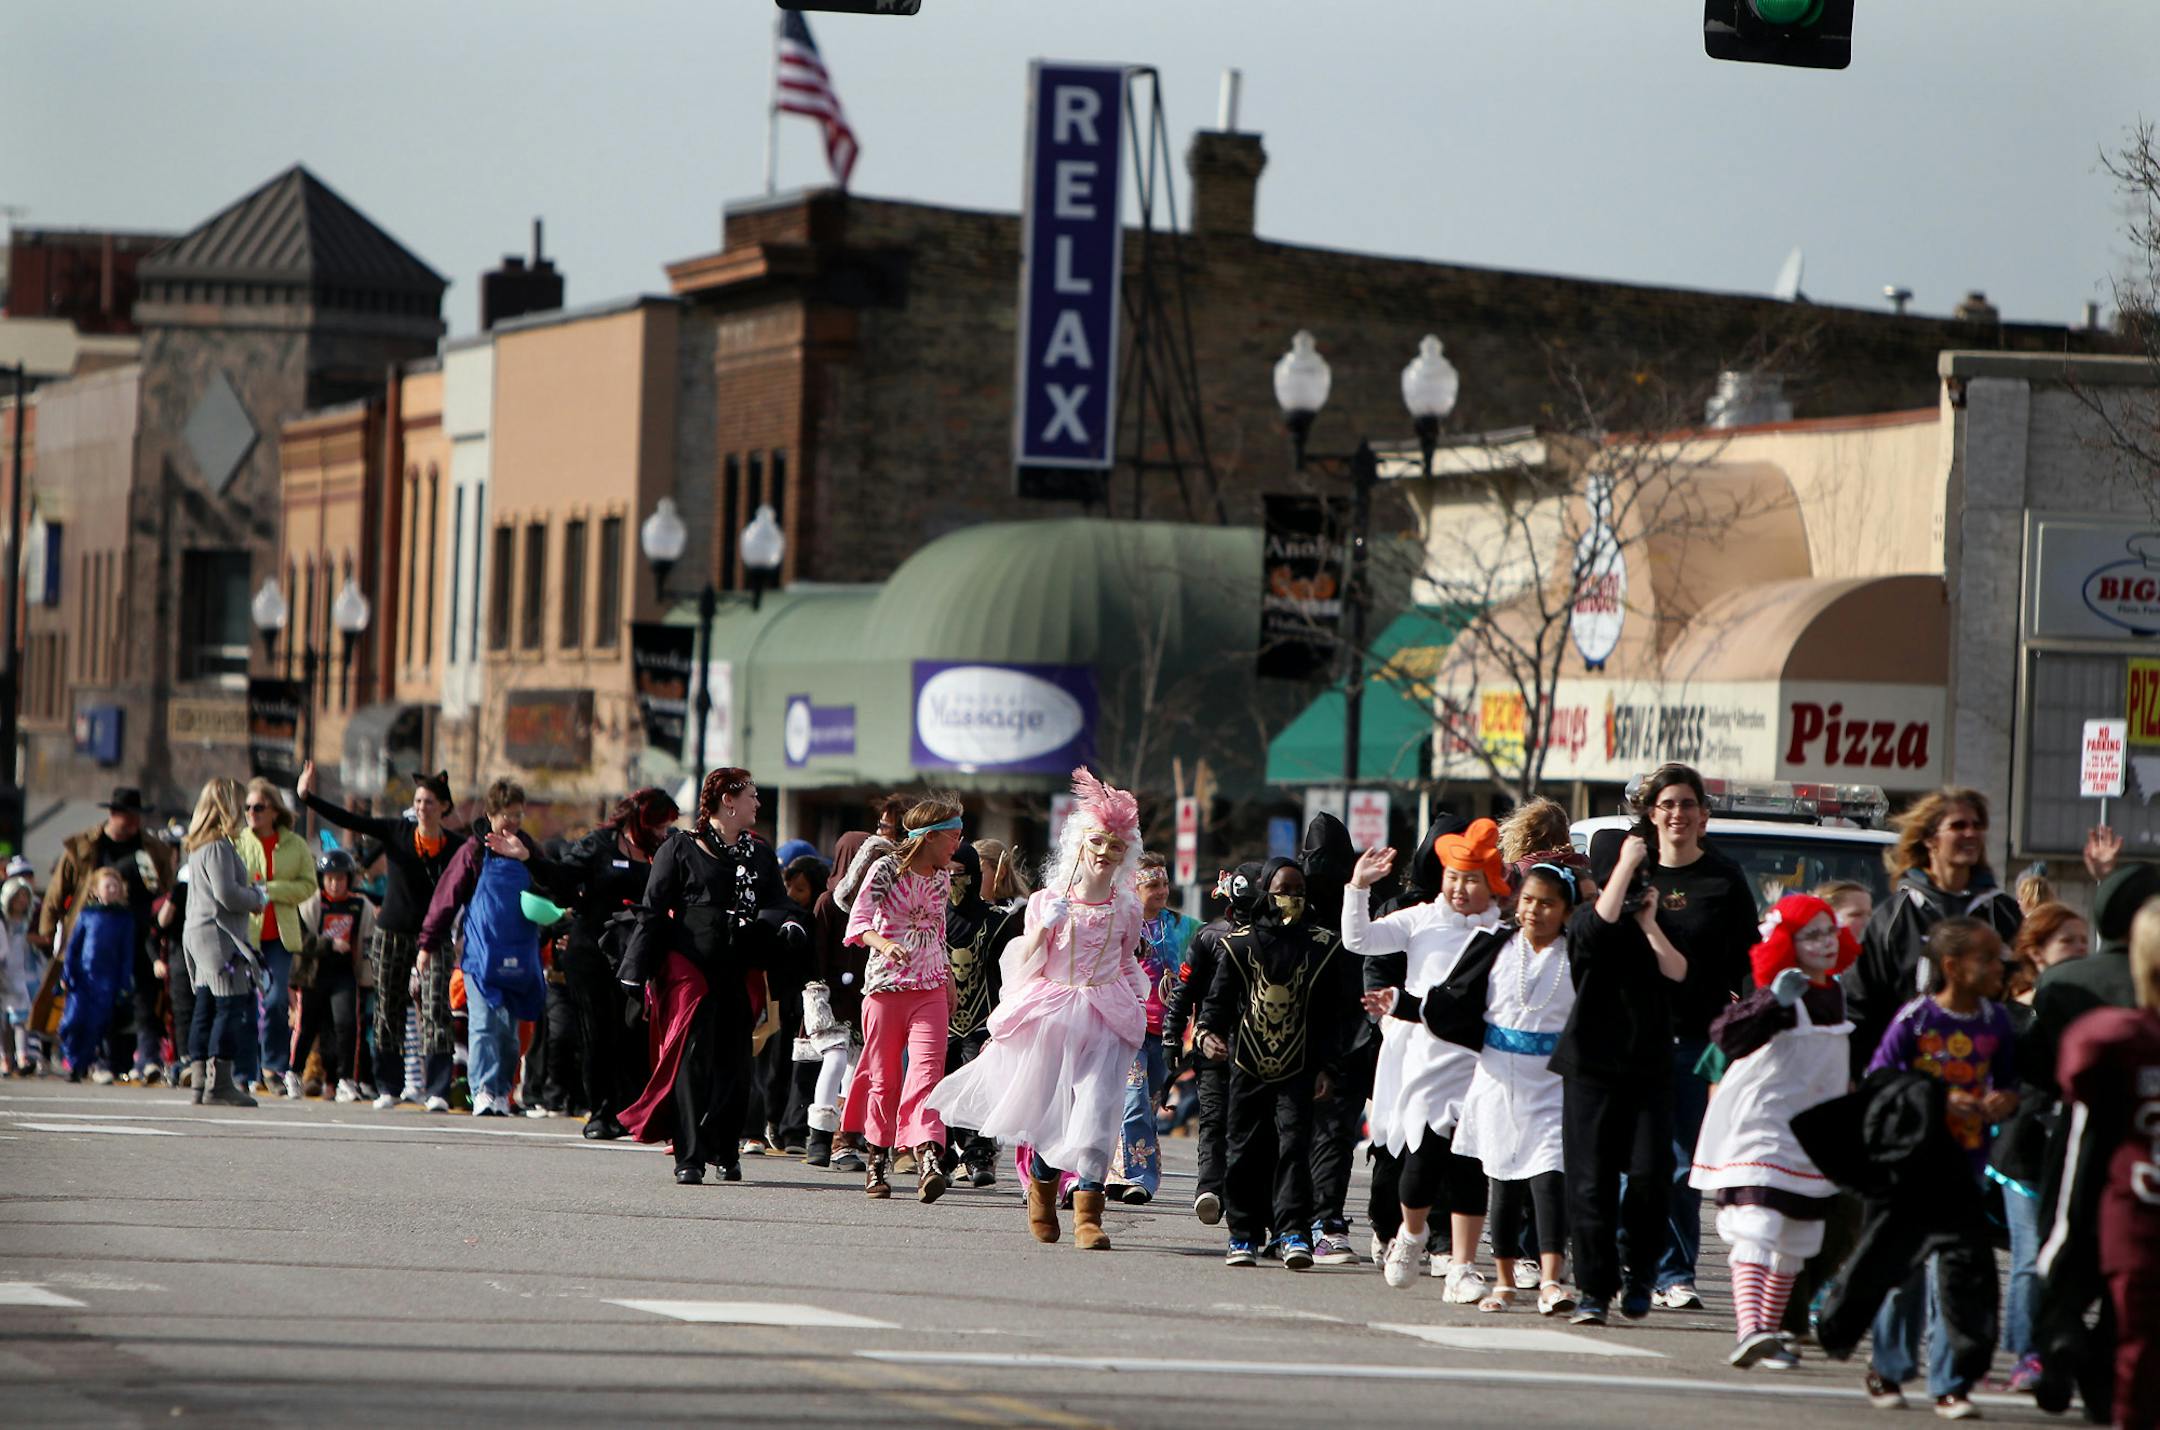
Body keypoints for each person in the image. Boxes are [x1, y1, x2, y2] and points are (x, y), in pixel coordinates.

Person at [928, 767, 1149, 1252]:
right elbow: (1024, 962)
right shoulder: (1047, 900)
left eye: (1116, 845)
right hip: (1053, 1011)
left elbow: (1128, 959)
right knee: (1051, 1118)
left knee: (1097, 1113)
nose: (1104, 853)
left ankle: (1088, 1214)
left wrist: (1140, 1002)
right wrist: (1042, 929)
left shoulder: (1128, 908)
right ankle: (1043, 1194)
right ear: (1079, 843)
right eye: (1097, 841)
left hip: (1106, 1012)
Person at [1376, 862, 1584, 1314]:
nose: (1534, 911)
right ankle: (1418, 1239)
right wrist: (1401, 1003)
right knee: (1446, 1167)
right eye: (1528, 900)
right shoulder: (1494, 944)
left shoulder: (1578, 953)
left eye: (1547, 903)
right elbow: (1453, 998)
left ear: (1567, 910)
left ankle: (1537, 1278)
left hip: (1548, 1082)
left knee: (1546, 1174)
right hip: (1475, 1068)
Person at [1614, 764, 1762, 1315]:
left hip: (1695, 1039)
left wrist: (1753, 1023)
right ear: (1651, 814)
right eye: (1666, 804)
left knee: (1678, 1164)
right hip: (1631, 1036)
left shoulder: (1724, 878)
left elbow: (1750, 962)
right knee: (1632, 1164)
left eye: (1687, 804)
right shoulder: (1632, 871)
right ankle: (1632, 1264)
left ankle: (1676, 1274)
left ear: (1703, 814)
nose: (1677, 814)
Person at [1688, 893, 1859, 1369]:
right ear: (1787, 943)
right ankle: (1750, 1327)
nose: (1825, 943)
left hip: (1814, 1133)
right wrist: (1767, 1002)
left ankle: (1770, 1333)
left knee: (1797, 1237)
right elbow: (1726, 1037)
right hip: (1759, 1125)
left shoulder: (1840, 993)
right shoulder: (1780, 995)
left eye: (1830, 932)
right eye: (1812, 936)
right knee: (1758, 1226)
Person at [1862, 917, 2016, 1420]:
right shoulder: (1917, 1019)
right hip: (1912, 1163)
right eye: (1988, 959)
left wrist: (2002, 1100)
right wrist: (1938, 1098)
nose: (2000, 968)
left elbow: (2013, 1082)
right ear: (1952, 966)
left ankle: (1951, 1383)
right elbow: (1880, 1076)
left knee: (1957, 1276)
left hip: (1966, 1165)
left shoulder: (1996, 1022)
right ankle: (1887, 1368)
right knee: (1904, 1273)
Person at [1346, 820, 1507, 1298]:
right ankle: (1411, 1234)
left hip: (1482, 1059)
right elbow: (1360, 941)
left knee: (1470, 1165)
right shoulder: (1421, 919)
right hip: (1425, 1055)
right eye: (1454, 876)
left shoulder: (1504, 934)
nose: (1460, 888)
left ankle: (1461, 1266)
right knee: (1422, 1159)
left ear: (1490, 882)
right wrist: (1358, 888)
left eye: (1472, 878)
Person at [621, 768, 782, 1185]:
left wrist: (782, 926)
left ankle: (725, 1149)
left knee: (736, 1063)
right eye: (752, 795)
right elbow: (653, 910)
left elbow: (779, 905)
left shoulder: (760, 854)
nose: (757, 804)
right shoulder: (680, 848)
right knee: (692, 1057)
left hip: (738, 966)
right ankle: (689, 1156)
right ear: (728, 801)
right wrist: (634, 973)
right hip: (690, 965)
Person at [1562, 831, 1691, 1326]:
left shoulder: (1652, 921)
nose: (1635, 880)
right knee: (1590, 1185)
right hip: (1590, 1070)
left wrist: (1651, 922)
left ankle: (1640, 1275)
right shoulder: (1585, 922)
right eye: (1624, 870)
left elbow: (1678, 972)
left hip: (1649, 1070)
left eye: (1640, 870)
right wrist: (1622, 868)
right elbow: (1594, 935)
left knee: (1649, 1177)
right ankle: (1594, 1290)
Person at [2044, 897, 2160, 1430]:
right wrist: (2062, 1242)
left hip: (2133, 1218)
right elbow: (2085, 1147)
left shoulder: (2116, 1038)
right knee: (2132, 1356)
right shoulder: (2119, 1042)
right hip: (2135, 1217)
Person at [296, 761, 468, 1112]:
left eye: (430, 802)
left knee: (436, 1008)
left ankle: (436, 1089)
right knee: (387, 1008)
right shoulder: (397, 832)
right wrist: (308, 797)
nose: (422, 807)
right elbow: (351, 821)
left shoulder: (456, 847)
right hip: (391, 933)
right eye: (418, 801)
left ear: (445, 808)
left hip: (433, 937)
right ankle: (388, 1086)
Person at [842, 795, 966, 1202]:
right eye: (953, 835)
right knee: (885, 1080)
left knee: (928, 1074)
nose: (958, 843)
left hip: (929, 988)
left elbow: (937, 931)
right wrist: (885, 944)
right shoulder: (886, 870)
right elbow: (858, 921)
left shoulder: (942, 878)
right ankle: (877, 1159)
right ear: (929, 837)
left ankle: (928, 1154)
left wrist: (947, 976)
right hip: (885, 989)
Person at [1851, 787, 2023, 1077]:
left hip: (1984, 1079)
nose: (1971, 833)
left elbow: (2022, 989)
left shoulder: (2002, 912)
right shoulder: (1894, 917)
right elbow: (1859, 1002)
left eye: (1977, 826)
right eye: (1958, 826)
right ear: (1930, 839)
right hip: (1911, 1082)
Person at [1988, 901, 2088, 1392]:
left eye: (2084, 941)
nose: (2080, 950)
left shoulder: (2090, 1002)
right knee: (2030, 1254)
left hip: (2071, 1146)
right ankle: (2027, 1355)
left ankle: (2025, 1344)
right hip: (2022, 1149)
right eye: (2068, 941)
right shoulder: (2012, 1009)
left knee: (2053, 1252)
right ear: (2036, 951)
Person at [418, 779, 563, 1117]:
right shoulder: (474, 850)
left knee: (509, 1034)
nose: (513, 822)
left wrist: (529, 861)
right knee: (483, 1025)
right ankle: (481, 1090)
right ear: (490, 813)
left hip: (520, 956)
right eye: (506, 816)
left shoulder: (529, 849)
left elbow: (554, 888)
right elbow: (446, 898)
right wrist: (427, 944)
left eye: (518, 815)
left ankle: (501, 1091)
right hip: (480, 956)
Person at [555, 788, 678, 1139]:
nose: (664, 829)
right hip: (591, 951)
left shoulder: (664, 850)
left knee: (631, 1034)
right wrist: (574, 908)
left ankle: (629, 1109)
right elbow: (559, 879)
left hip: (635, 955)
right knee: (597, 1033)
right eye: (660, 822)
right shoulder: (599, 844)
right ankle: (600, 1111)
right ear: (642, 819)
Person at [37, 787, 177, 1085]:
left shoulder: (152, 849)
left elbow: (168, 888)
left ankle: (148, 1058)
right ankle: (96, 1060)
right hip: (96, 939)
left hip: (141, 935)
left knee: (145, 998)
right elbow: (57, 891)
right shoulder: (87, 846)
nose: (135, 822)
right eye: (129, 817)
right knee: (95, 1002)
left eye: (138, 817)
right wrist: (49, 931)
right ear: (113, 815)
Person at [1161, 864, 1256, 1230]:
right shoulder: (1209, 937)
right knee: (1214, 1118)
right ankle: (1210, 1189)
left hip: (1265, 1053)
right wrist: (1174, 1035)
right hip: (1213, 1045)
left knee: (1250, 1126)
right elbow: (1185, 991)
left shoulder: (1279, 940)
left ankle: (1245, 1196)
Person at [1107, 852, 1192, 1205]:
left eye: (1165, 884)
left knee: (1147, 1102)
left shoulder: (1180, 925)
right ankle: (1137, 1177)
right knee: (1133, 1099)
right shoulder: (1122, 925)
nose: (1161, 891)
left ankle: (1117, 1171)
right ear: (1134, 888)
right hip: (1130, 1028)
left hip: (1167, 1030)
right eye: (1153, 885)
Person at [179, 778, 268, 1108]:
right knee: (228, 1007)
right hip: (218, 935)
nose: (244, 811)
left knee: (205, 1005)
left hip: (198, 932)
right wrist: (256, 897)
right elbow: (226, 895)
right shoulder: (218, 846)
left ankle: (200, 1081)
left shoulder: (200, 845)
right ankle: (220, 1083)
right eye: (241, 804)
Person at [941, 840, 1021, 1189]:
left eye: (959, 875)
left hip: (982, 1020)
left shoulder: (998, 922)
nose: (952, 882)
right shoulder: (932, 919)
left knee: (977, 1088)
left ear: (973, 876)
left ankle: (978, 1154)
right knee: (937, 1085)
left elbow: (1014, 971)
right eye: (946, 874)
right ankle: (939, 1152)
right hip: (938, 1019)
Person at [231, 779, 317, 1097]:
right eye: (248, 808)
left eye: (259, 807)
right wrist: (250, 894)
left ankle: (273, 1067)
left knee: (277, 1000)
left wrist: (272, 890)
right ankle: (241, 1072)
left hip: (280, 937)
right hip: (246, 935)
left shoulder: (294, 845)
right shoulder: (238, 842)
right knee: (242, 1003)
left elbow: (309, 885)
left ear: (274, 811)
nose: (252, 813)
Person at [805, 832, 875, 1171]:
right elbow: (815, 953)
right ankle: (819, 1135)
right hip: (829, 996)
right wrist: (817, 990)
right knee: (834, 1060)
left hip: (862, 997)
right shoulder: (828, 902)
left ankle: (845, 1141)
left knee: (855, 1069)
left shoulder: (878, 903)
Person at [291, 848, 373, 1103]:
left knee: (347, 1024)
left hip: (344, 974)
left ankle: (346, 1079)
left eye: (340, 878)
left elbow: (368, 942)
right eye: (329, 878)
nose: (335, 884)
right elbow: (299, 940)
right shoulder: (311, 904)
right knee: (307, 1026)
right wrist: (329, 943)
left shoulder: (360, 906)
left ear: (349, 879)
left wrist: (367, 978)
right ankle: (293, 1074)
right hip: (314, 974)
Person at [59, 869, 135, 1081]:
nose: (112, 889)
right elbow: (73, 948)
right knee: (72, 1022)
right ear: (95, 890)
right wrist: (67, 974)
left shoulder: (124, 919)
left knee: (95, 1025)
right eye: (107, 885)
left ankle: (81, 1065)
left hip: (107, 981)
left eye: (115, 886)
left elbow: (126, 954)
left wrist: (124, 983)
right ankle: (73, 1059)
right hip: (82, 978)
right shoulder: (87, 915)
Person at [2, 873, 41, 1074]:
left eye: (25, 897)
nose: (22, 901)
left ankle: (23, 1055)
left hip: (23, 973)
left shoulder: (28, 923)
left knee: (21, 1018)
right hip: (4, 972)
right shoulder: (4, 923)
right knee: (3, 1020)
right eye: (18, 897)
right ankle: (4, 1058)